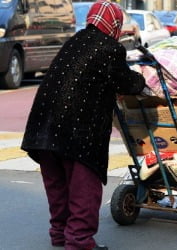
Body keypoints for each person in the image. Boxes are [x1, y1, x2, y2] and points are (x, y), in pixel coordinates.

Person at [21, 0, 145, 249]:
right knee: (83, 189)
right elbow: (127, 82)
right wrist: (140, 79)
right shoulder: (110, 48)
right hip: (77, 131)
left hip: (42, 129)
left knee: (57, 187)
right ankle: (78, 241)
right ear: (115, 23)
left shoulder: (74, 41)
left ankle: (59, 233)